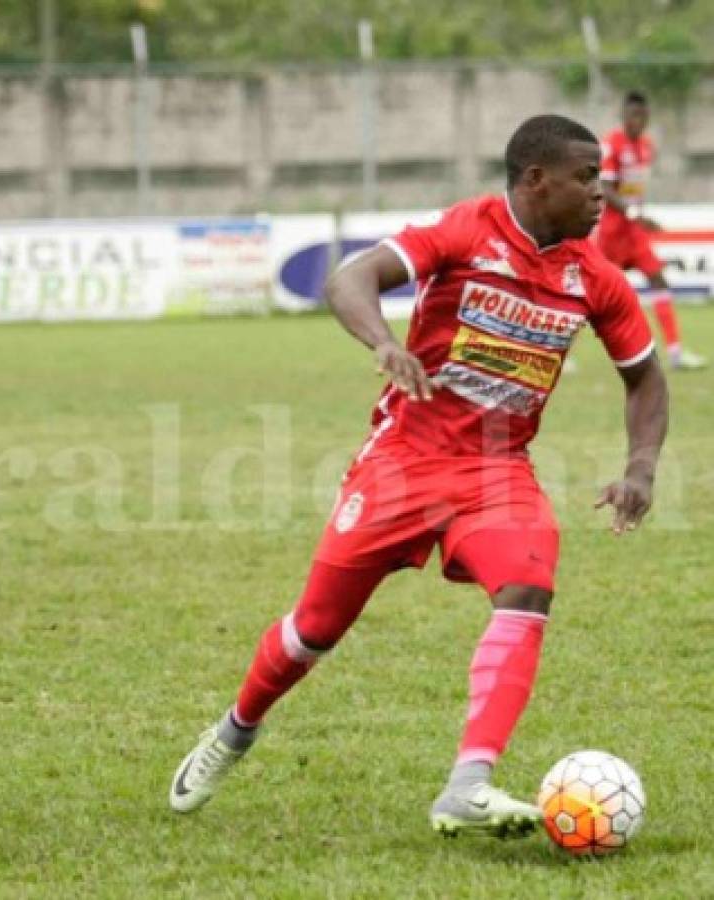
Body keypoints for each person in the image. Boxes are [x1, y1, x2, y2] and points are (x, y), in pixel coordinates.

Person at [168, 115, 669, 838]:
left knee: (527, 586)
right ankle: (236, 729)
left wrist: (640, 470)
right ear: (536, 180)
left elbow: (644, 379)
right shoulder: (465, 232)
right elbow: (350, 276)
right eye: (586, 179)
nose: (602, 192)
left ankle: (468, 782)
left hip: (497, 471)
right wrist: (382, 343)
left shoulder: (593, 278)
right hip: (402, 461)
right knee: (313, 630)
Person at [596, 90, 706, 371]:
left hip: (635, 233)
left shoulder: (646, 146)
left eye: (643, 116)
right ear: (623, 116)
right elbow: (605, 189)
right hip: (612, 233)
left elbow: (635, 190)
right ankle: (559, 351)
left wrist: (640, 215)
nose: (638, 121)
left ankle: (676, 353)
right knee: (590, 294)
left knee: (659, 280)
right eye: (633, 115)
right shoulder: (611, 145)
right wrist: (633, 213)